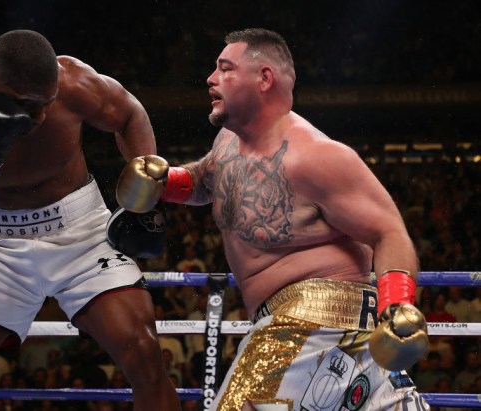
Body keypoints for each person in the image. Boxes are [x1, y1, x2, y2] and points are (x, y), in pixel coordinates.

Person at [116, 28, 430, 410]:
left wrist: (396, 308)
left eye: (225, 68)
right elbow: (207, 180)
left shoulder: (316, 156)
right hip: (307, 326)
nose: (211, 79)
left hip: (313, 320)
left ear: (264, 78)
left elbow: (388, 230)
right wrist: (166, 183)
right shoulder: (228, 142)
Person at [0, 29, 180, 411]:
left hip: (83, 235)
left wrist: (145, 194)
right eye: (28, 104)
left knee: (146, 357)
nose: (41, 115)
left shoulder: (74, 83)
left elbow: (129, 113)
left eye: (47, 101)